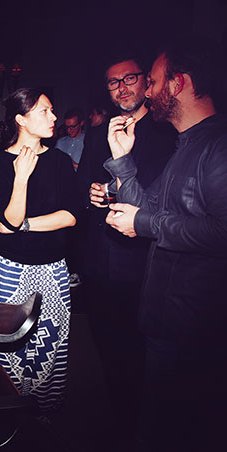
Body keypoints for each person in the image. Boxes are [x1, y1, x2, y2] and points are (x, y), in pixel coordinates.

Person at [99, 36, 227, 451]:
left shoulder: (218, 146)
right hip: (165, 320)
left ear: (177, 84)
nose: (148, 92)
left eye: (152, 82)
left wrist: (146, 221)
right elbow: (148, 206)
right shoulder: (186, 144)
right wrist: (122, 160)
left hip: (194, 328)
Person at [77, 52, 176, 434]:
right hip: (100, 258)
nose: (122, 88)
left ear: (145, 83)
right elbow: (84, 181)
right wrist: (91, 193)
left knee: (140, 354)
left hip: (141, 261)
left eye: (130, 79)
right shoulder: (98, 131)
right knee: (105, 347)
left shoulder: (166, 130)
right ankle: (118, 421)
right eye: (114, 83)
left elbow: (164, 198)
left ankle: (141, 426)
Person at [0, 88, 77, 415]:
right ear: (22, 118)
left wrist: (23, 226)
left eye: (52, 111)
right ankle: (6, 412)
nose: (54, 117)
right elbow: (8, 218)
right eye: (45, 111)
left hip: (52, 271)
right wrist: (21, 178)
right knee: (8, 346)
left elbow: (71, 215)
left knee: (50, 345)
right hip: (7, 272)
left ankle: (45, 415)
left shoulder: (61, 161)